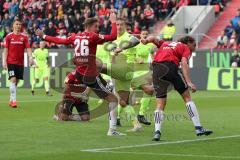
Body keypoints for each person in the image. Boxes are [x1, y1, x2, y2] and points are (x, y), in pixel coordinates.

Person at [36, 12, 125, 136]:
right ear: (89, 26)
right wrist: (113, 21)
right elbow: (113, 36)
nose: (97, 29)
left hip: (79, 73)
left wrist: (44, 36)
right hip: (90, 75)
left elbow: (60, 41)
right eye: (96, 26)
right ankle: (112, 130)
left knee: (103, 86)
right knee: (113, 100)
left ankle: (82, 96)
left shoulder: (76, 37)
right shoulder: (93, 37)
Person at [142, 36, 213, 141]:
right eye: (194, 45)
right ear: (188, 42)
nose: (194, 48)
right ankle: (198, 128)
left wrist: (146, 40)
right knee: (187, 97)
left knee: (160, 103)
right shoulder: (185, 47)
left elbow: (153, 38)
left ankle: (157, 132)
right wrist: (188, 82)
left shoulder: (165, 43)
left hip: (157, 69)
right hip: (170, 66)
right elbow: (184, 63)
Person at [108, 18, 143, 132]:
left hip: (124, 69)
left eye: (121, 25)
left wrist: (121, 48)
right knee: (122, 101)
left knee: (116, 98)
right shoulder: (114, 39)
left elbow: (136, 40)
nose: (119, 27)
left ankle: (113, 127)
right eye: (117, 24)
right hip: (119, 70)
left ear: (125, 26)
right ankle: (136, 124)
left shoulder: (128, 37)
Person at [2, 19, 34, 108]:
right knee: (13, 79)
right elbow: (5, 50)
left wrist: (30, 57)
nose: (18, 26)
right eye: (17, 24)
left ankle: (11, 99)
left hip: (20, 63)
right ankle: (14, 101)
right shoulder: (8, 37)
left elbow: (28, 48)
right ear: (13, 26)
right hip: (11, 62)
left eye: (20, 24)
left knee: (17, 82)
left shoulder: (24, 37)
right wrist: (4, 61)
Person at [132, 29, 155, 125]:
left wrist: (155, 62)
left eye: (146, 34)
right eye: (143, 34)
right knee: (127, 93)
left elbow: (153, 55)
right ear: (140, 35)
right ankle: (117, 117)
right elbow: (130, 55)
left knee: (150, 91)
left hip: (145, 71)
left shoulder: (150, 45)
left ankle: (141, 114)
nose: (145, 35)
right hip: (134, 70)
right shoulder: (135, 44)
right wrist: (137, 59)